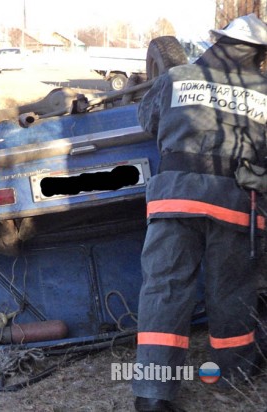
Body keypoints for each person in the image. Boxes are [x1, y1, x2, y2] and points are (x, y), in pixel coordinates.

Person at [133, 14, 267, 411]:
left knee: (164, 291)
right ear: (257, 53)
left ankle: (153, 395)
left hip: (175, 199)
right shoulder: (264, 90)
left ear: (218, 43)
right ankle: (234, 375)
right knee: (231, 292)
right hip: (234, 203)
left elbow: (147, 121)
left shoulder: (176, 77)